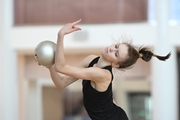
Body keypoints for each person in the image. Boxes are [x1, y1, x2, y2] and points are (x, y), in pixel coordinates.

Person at [41, 19, 171, 120]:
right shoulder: (91, 60)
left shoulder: (102, 74)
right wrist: (50, 67)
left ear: (116, 65)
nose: (112, 49)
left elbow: (61, 67)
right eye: (116, 46)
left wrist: (61, 35)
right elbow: (61, 83)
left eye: (116, 54)